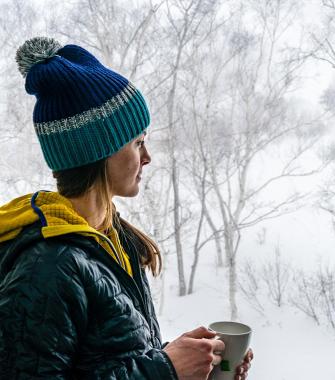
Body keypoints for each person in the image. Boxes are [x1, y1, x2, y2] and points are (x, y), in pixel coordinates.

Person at [0, 37, 253, 380]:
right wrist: (164, 369)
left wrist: (190, 363)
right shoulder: (46, 268)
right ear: (98, 151)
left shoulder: (111, 239)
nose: (147, 157)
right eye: (137, 143)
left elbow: (111, 362)